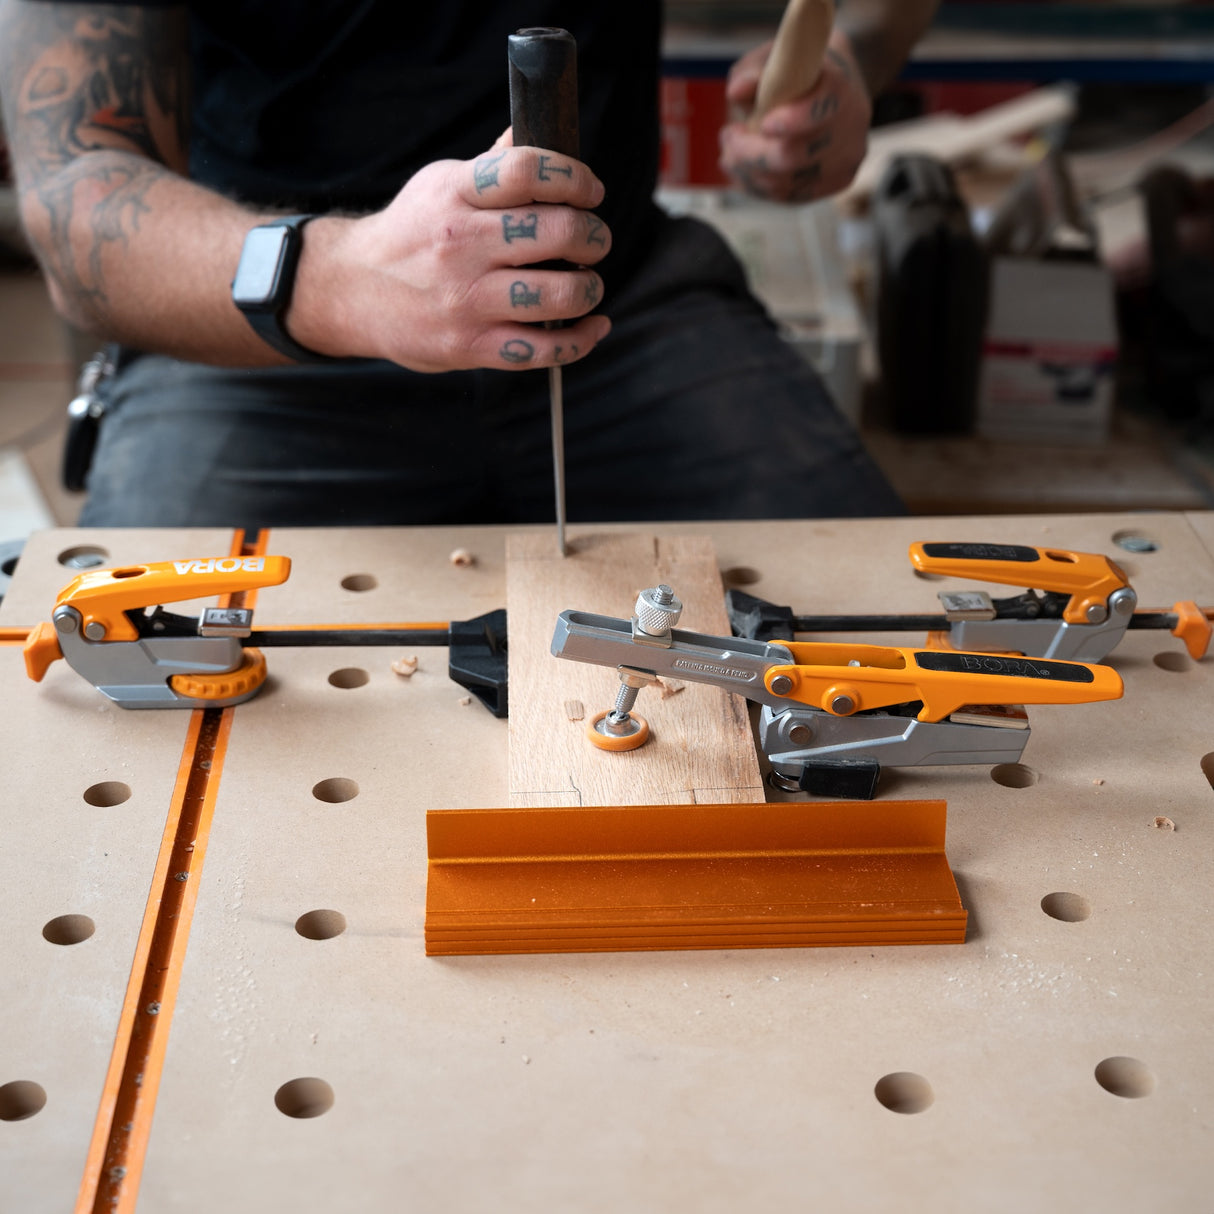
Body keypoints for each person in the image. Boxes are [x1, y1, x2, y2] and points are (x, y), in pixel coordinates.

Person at [0, 1, 937, 527]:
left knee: (885, 660)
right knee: (146, 693)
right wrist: (343, 281)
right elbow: (74, 197)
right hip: (262, 334)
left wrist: (848, 53)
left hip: (618, 310)